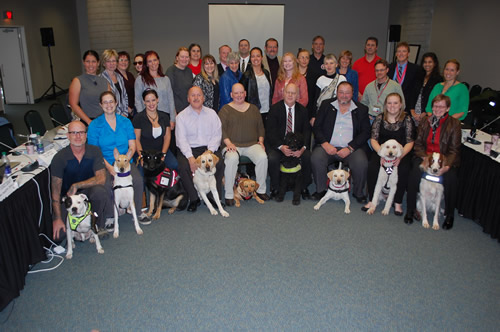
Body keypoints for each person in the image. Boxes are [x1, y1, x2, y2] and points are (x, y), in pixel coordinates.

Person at [87, 91, 150, 225]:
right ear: (100, 105)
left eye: (111, 101)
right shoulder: (94, 125)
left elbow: (132, 145)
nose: (109, 105)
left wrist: (126, 161)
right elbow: (95, 152)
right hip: (104, 162)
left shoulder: (125, 121)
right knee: (106, 184)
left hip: (124, 161)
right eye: (105, 102)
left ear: (116, 103)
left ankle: (137, 212)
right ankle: (110, 216)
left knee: (138, 180)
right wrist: (109, 167)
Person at [405, 94, 461, 229]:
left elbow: (454, 149)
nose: (438, 109)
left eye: (442, 106)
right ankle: (411, 209)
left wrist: (446, 166)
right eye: (436, 106)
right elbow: (418, 144)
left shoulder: (454, 124)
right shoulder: (425, 121)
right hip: (425, 157)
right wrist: (425, 159)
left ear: (448, 108)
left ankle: (449, 215)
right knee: (413, 174)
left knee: (452, 179)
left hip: (444, 159)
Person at [51, 120, 112, 241]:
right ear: (68, 136)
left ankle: (97, 225)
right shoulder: (59, 158)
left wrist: (77, 185)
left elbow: (101, 178)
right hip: (68, 199)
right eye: (74, 133)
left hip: (88, 193)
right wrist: (57, 218)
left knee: (100, 192)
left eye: (81, 133)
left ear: (86, 135)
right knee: (59, 237)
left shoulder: (95, 151)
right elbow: (55, 192)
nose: (78, 136)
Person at [311, 81, 370, 203]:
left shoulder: (361, 109)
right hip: (328, 147)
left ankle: (358, 192)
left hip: (351, 149)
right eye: (341, 92)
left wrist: (350, 148)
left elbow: (365, 132)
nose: (344, 95)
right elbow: (317, 127)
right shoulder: (326, 105)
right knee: (316, 158)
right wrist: (325, 144)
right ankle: (320, 190)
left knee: (361, 162)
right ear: (337, 93)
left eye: (347, 93)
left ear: (352, 93)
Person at [362, 93, 414, 216]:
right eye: (389, 103)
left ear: (400, 105)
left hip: (401, 153)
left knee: (404, 169)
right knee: (373, 167)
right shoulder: (379, 118)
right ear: (385, 105)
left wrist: (399, 156)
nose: (392, 106)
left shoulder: (407, 119)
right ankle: (372, 200)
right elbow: (373, 139)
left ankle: (398, 202)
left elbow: (410, 141)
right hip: (381, 152)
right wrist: (382, 154)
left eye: (395, 103)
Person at [219, 83, 269, 206]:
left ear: (245, 93)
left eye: (241, 92)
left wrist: (261, 141)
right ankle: (229, 194)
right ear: (231, 94)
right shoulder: (225, 109)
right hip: (232, 145)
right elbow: (220, 129)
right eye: (236, 93)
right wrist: (228, 143)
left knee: (262, 157)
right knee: (232, 159)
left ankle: (261, 190)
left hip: (252, 144)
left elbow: (260, 127)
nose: (239, 95)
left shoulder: (253, 109)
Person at [175, 86, 224, 212]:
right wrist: (191, 158)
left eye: (198, 95)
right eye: (193, 95)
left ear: (203, 98)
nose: (196, 98)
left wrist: (210, 151)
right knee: (183, 166)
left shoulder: (212, 114)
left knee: (219, 164)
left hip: (208, 148)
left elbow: (217, 134)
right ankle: (194, 198)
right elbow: (181, 140)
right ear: (188, 98)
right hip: (189, 149)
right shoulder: (181, 116)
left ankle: (213, 195)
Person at [266, 83, 312, 200]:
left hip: (298, 145)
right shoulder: (274, 109)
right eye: (288, 92)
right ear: (283, 93)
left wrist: (303, 148)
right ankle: (275, 187)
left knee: (307, 157)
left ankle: (303, 187)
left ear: (297, 95)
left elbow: (307, 131)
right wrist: (281, 147)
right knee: (272, 158)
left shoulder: (303, 110)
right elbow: (270, 132)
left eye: (293, 93)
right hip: (279, 144)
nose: (290, 95)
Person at [133, 89, 178, 170]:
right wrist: (142, 156)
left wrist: (163, 154)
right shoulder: (138, 118)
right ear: (144, 102)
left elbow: (167, 137)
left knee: (174, 165)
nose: (151, 104)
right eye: (148, 101)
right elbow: (136, 139)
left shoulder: (164, 116)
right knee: (141, 174)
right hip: (144, 153)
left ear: (158, 100)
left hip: (160, 151)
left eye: (153, 100)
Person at [135, 50, 176, 130]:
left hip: (165, 117)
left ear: (158, 61)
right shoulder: (140, 79)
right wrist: (142, 118)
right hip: (148, 118)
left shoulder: (166, 79)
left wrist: (172, 119)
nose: (153, 63)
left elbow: (171, 100)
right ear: (146, 64)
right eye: (150, 61)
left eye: (155, 60)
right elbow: (137, 100)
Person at [68, 50, 110, 125]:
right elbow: (73, 104)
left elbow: (110, 102)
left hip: (105, 120)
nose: (91, 64)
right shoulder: (77, 81)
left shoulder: (105, 81)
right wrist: (89, 121)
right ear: (84, 62)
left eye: (93, 61)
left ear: (98, 63)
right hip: (88, 121)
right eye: (88, 61)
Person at [388, 42, 425, 113]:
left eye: (404, 51)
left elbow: (416, 91)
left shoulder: (416, 69)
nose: (401, 54)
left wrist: (411, 108)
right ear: (396, 54)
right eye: (399, 51)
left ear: (408, 54)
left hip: (406, 106)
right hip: (390, 105)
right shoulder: (389, 68)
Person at [239, 47, 272, 124]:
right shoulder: (246, 75)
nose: (255, 58)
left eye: (258, 56)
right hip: (253, 112)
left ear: (262, 57)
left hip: (267, 111)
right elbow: (242, 95)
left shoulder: (266, 73)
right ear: (250, 58)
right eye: (253, 56)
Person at [312, 54, 347, 122]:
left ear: (336, 65)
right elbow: (316, 99)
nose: (329, 66)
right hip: (322, 111)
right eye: (326, 63)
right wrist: (314, 116)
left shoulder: (342, 79)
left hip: (338, 111)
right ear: (324, 66)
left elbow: (345, 97)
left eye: (331, 63)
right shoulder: (320, 79)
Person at [411, 52, 443, 125]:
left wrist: (424, 113)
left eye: (430, 62)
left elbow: (436, 98)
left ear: (435, 63)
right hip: (414, 114)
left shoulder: (438, 79)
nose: (427, 64)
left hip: (427, 114)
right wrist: (412, 111)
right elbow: (412, 94)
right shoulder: (418, 76)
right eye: (425, 62)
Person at [100, 49, 129, 118]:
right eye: (108, 61)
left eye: (113, 61)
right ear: (104, 63)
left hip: (123, 115)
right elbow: (105, 101)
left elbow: (125, 96)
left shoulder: (119, 77)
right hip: (110, 115)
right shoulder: (101, 79)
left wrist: (125, 113)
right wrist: (119, 114)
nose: (111, 63)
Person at [165, 47, 194, 115]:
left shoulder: (189, 71)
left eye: (186, 57)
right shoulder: (171, 71)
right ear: (177, 58)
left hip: (188, 109)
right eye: (182, 57)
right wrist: (173, 111)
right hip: (176, 111)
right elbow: (169, 93)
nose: (184, 59)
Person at [297, 48, 317, 122]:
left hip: (309, 111)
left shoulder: (315, 75)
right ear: (297, 60)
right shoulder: (292, 75)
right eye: (302, 57)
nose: (304, 60)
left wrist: (314, 115)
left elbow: (315, 97)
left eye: (307, 57)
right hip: (294, 109)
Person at [116, 51, 136, 118]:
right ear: (116, 62)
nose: (124, 62)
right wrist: (128, 109)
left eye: (126, 60)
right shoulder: (115, 76)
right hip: (122, 112)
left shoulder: (130, 75)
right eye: (121, 60)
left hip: (133, 110)